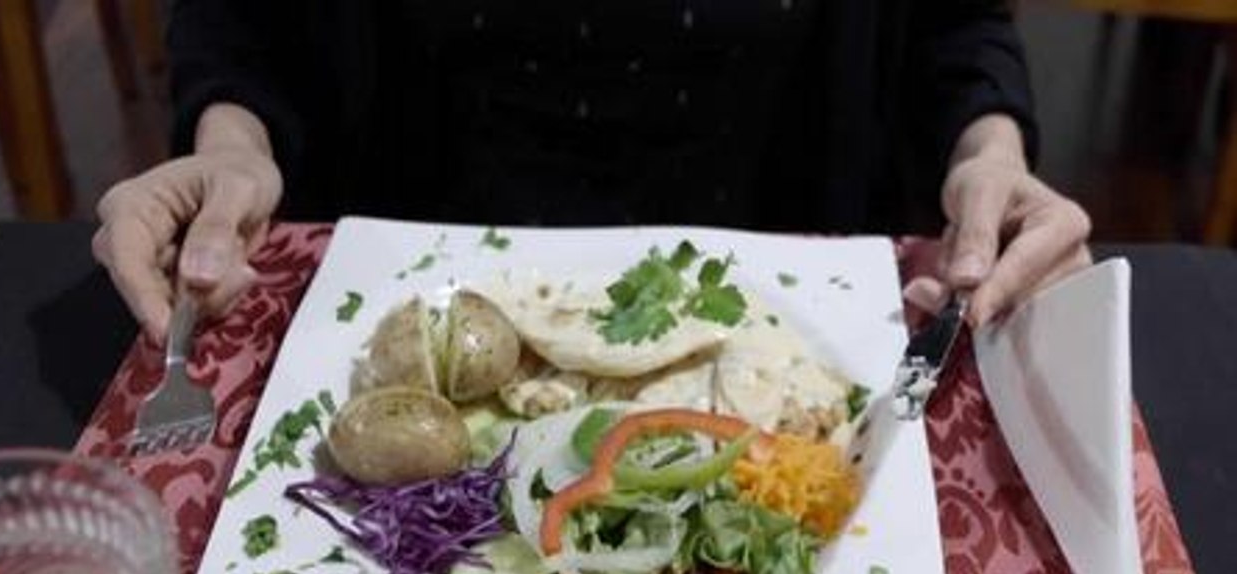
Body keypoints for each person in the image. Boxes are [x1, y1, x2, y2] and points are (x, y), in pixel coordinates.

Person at [93, 1, 1091, 342]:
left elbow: (956, 28)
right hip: (420, 306)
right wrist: (232, 150)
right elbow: (245, 26)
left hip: (785, 317)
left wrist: (987, 154)